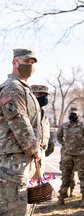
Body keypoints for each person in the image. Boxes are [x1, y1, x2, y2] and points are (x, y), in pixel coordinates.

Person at [0, 49, 41, 215]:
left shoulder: (23, 88)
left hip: (20, 158)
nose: (30, 66)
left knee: (23, 207)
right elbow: (19, 120)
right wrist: (34, 148)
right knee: (13, 208)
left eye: (32, 63)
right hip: (12, 161)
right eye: (26, 62)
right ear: (15, 63)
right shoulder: (12, 88)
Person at [57, 107, 84, 207]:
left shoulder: (82, 126)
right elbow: (58, 137)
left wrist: (83, 144)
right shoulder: (64, 126)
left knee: (83, 176)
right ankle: (61, 197)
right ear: (69, 115)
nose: (73, 115)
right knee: (65, 177)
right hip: (67, 155)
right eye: (71, 113)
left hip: (80, 155)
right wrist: (65, 144)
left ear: (78, 115)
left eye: (75, 114)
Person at [31, 85, 55, 173]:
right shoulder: (26, 111)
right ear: (32, 95)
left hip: (40, 158)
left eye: (45, 95)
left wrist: (48, 145)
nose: (43, 98)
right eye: (40, 94)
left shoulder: (43, 114)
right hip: (26, 158)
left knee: (37, 186)